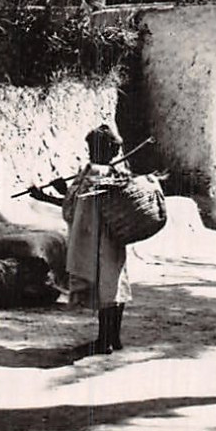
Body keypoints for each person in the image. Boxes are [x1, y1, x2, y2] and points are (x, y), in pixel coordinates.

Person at [62, 124, 132, 355]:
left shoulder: (94, 173)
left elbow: (77, 207)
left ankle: (104, 340)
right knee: (116, 283)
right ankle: (115, 337)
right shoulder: (120, 173)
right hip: (115, 237)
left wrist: (62, 192)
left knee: (105, 287)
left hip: (96, 239)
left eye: (92, 147)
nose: (90, 152)